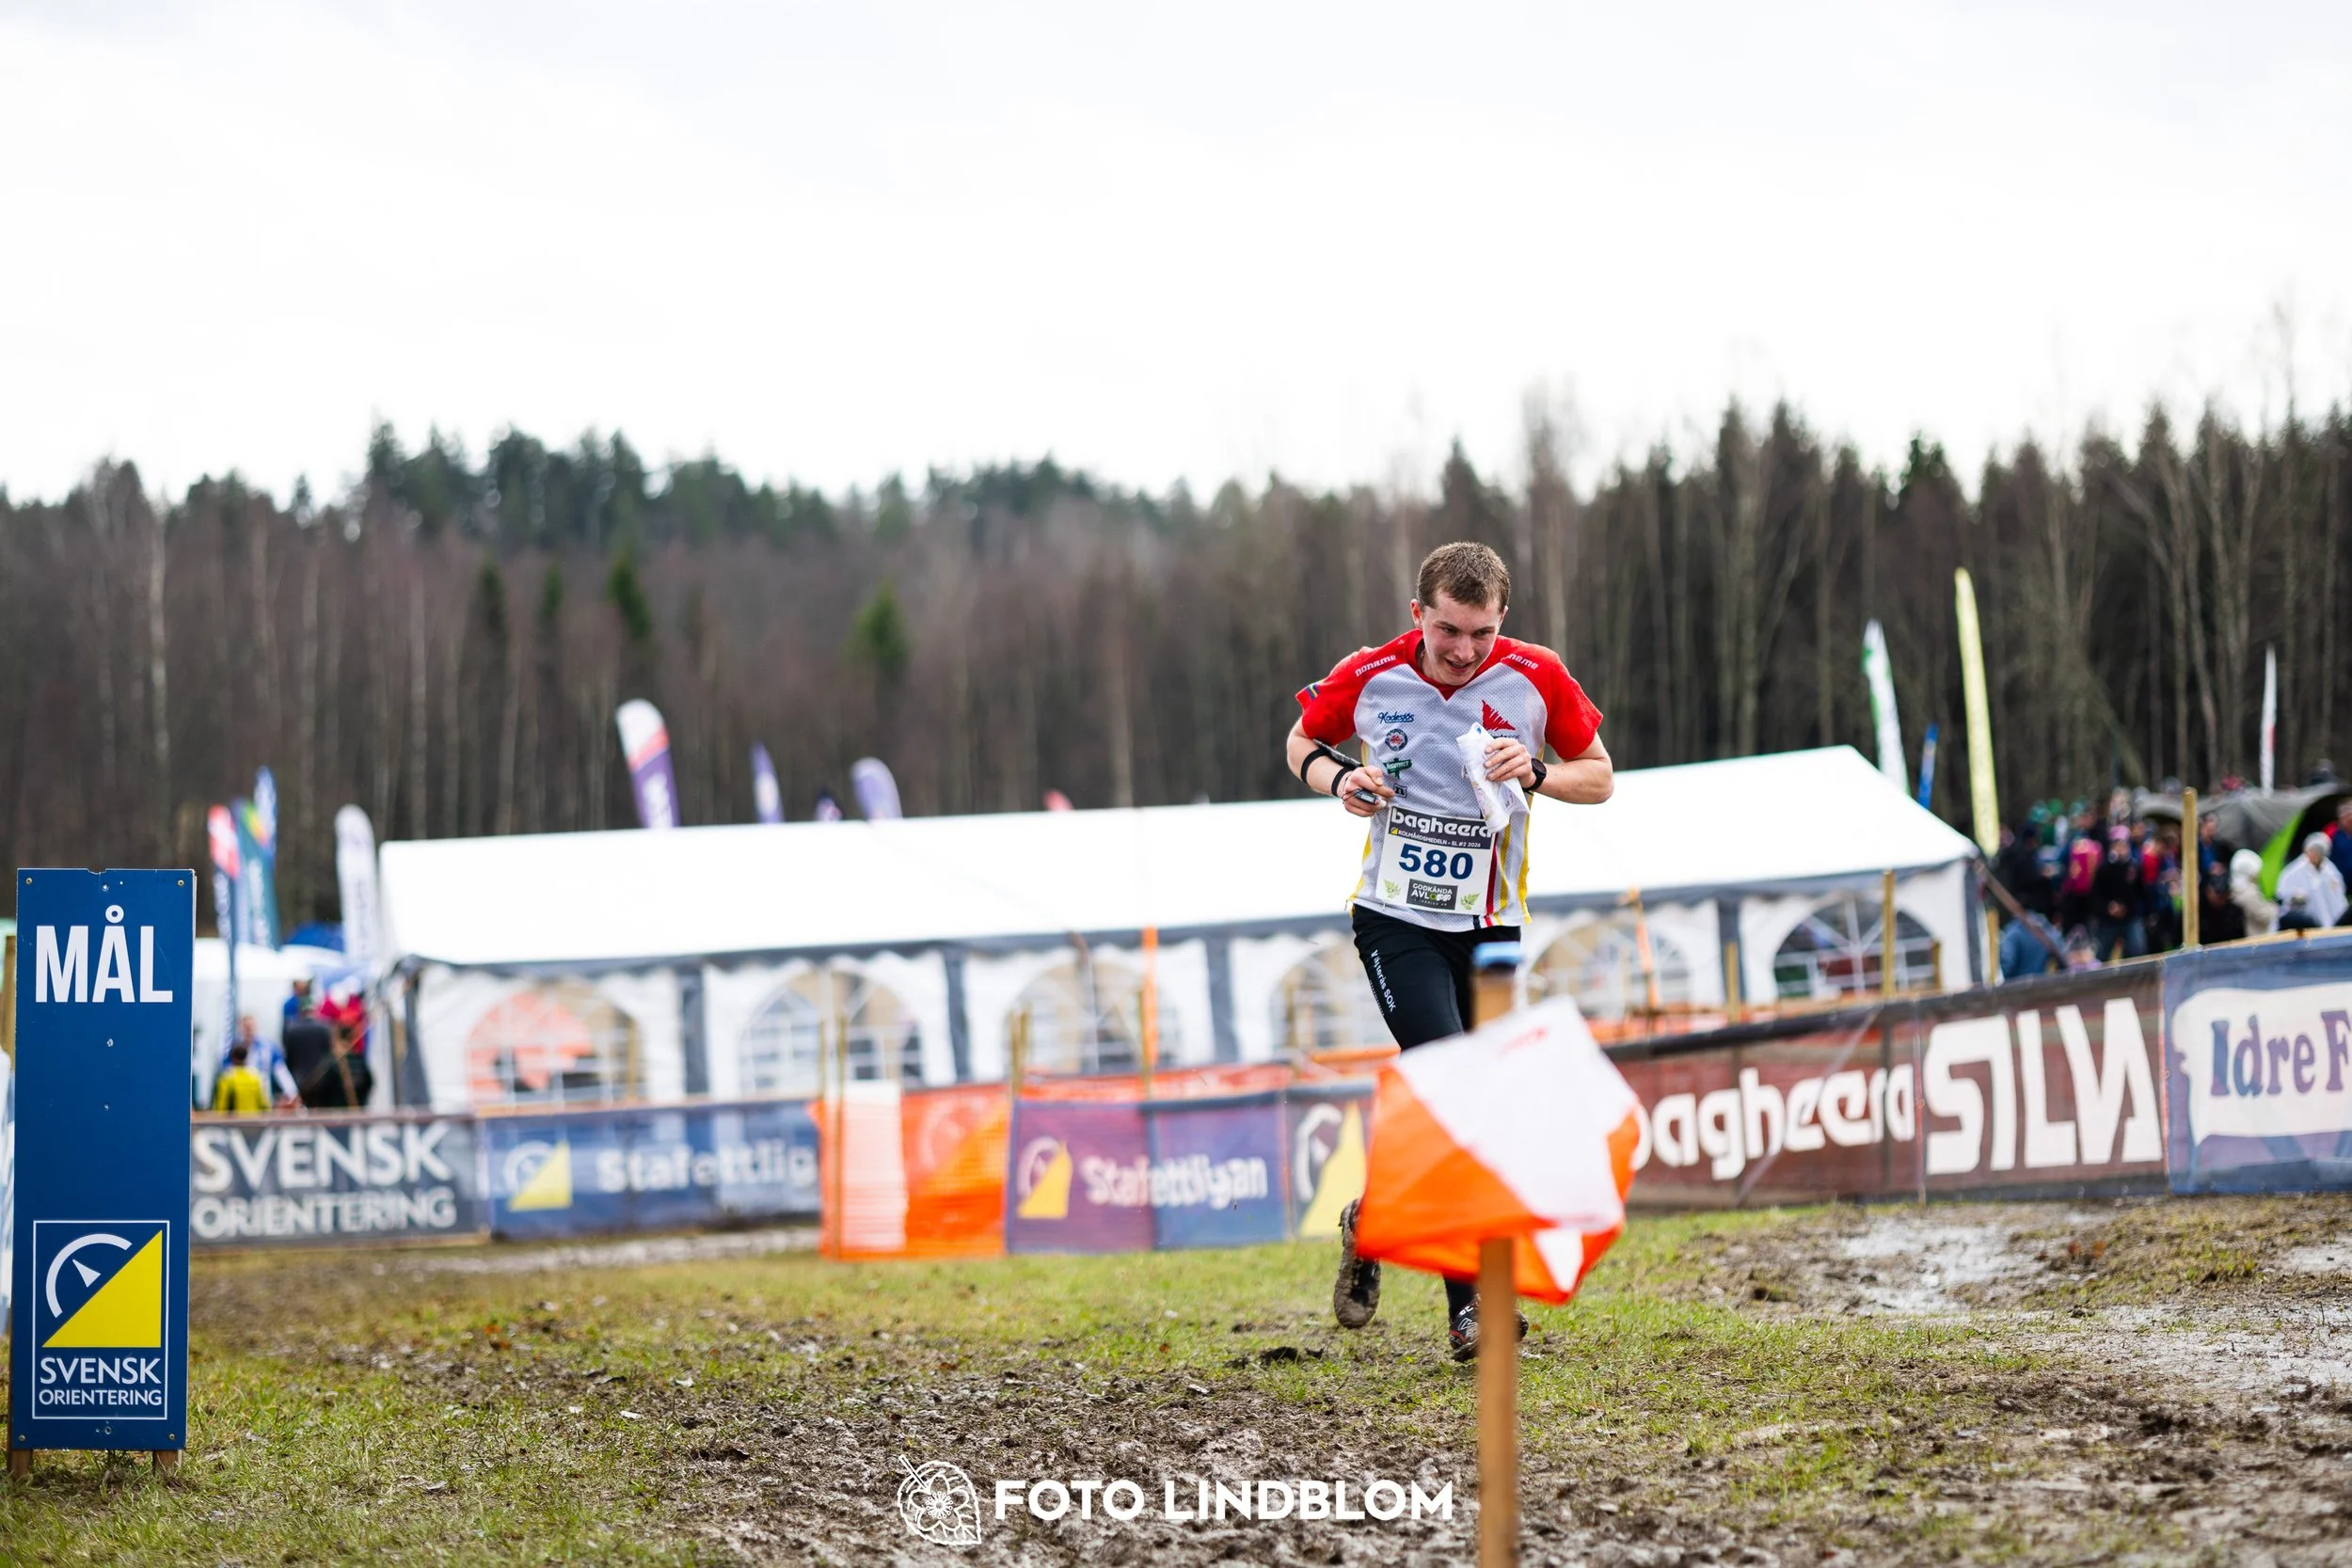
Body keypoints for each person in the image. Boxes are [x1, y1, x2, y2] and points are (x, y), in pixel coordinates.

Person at [1287, 541, 1612, 1361]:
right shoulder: (1372, 674)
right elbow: (1299, 740)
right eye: (1447, 630)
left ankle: (1378, 1216)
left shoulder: (1535, 677)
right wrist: (1337, 781)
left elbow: (1600, 775)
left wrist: (1537, 774)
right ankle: (1474, 1311)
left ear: (1504, 621)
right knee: (1455, 1084)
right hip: (1396, 920)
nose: (1464, 650)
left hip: (1492, 927)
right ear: (1417, 614)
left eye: (1482, 633)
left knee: (1473, 1106)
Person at [220, 1013, 298, 1108]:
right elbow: (226, 1073)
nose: (248, 1031)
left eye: (251, 1027)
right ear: (240, 1028)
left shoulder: (268, 1047)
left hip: (263, 1097)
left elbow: (281, 1072)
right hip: (239, 1100)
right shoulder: (233, 1048)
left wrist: (292, 1092)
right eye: (246, 1027)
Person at [2090, 827, 2144, 961]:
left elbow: (2139, 892)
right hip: (2108, 920)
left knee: (2136, 950)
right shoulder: (2103, 869)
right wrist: (2108, 908)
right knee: (2102, 954)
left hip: (2130, 917)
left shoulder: (2133, 867)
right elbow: (2096, 895)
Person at [2277, 833, 2347, 930]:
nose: (2315, 855)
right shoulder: (2294, 871)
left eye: (2319, 851)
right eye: (2312, 850)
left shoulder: (2331, 871)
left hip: (2331, 919)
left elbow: (2339, 896)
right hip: (2306, 923)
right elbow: (2283, 893)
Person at [212, 1039, 269, 1114]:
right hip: (253, 1121)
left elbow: (221, 1106)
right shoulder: (256, 1076)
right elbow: (264, 1104)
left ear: (233, 1058)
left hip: (233, 1122)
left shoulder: (227, 1078)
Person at [2231, 848, 2278, 937]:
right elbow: (2266, 916)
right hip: (2256, 939)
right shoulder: (2249, 893)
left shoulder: (2234, 890)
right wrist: (2274, 906)